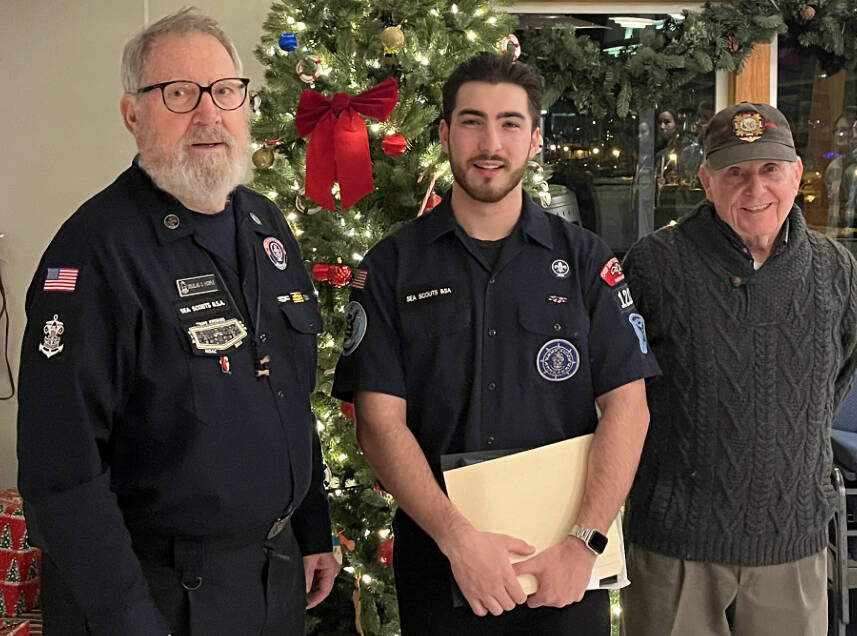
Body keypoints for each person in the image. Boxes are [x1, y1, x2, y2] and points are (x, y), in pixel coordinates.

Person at [16, 9, 338, 636]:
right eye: (179, 93)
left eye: (224, 91)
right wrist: (129, 621)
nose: (208, 114)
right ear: (133, 115)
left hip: (270, 579)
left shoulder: (263, 224)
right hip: (154, 595)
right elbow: (61, 475)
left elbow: (287, 395)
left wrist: (311, 528)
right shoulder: (95, 254)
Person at [332, 52, 659, 635]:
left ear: (534, 139)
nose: (491, 142)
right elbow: (379, 423)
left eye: (510, 123)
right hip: (441, 567)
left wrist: (585, 543)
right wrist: (459, 540)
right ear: (444, 134)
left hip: (563, 566)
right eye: (472, 121)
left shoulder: (585, 261)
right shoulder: (390, 267)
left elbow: (628, 407)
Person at [621, 102, 857, 636]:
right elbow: (623, 397)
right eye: (735, 173)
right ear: (707, 181)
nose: (755, 190)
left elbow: (833, 384)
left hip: (792, 540)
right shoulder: (654, 265)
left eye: (769, 170)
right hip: (675, 546)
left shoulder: (836, 270)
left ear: (797, 174)